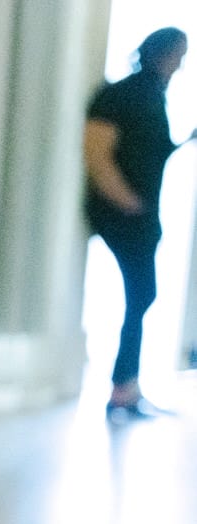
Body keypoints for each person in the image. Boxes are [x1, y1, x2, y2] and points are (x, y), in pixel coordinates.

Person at [84, 26, 192, 420]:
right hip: (124, 214)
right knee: (142, 294)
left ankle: (126, 387)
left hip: (141, 213)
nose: (180, 64)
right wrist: (126, 201)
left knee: (142, 296)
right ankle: (123, 388)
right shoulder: (120, 94)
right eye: (177, 54)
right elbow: (96, 153)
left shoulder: (150, 96)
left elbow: (150, 151)